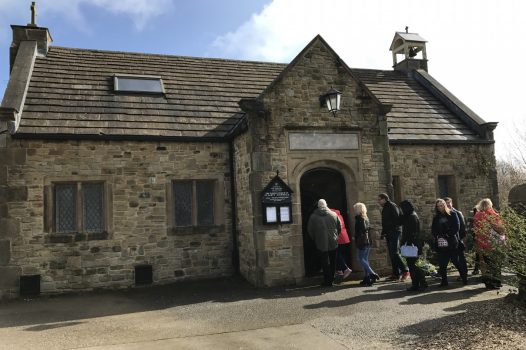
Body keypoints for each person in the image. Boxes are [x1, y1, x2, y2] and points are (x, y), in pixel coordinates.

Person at [307, 199, 341, 287]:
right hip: (333, 241)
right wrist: (335, 236)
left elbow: (310, 230)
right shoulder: (334, 214)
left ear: (318, 206)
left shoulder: (313, 216)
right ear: (326, 205)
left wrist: (315, 239)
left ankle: (327, 280)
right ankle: (331, 279)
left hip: (320, 242)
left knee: (325, 262)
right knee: (333, 261)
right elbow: (339, 227)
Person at [473, 198, 505, 289]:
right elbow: (501, 228)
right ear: (490, 205)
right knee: (496, 263)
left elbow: (476, 230)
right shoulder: (493, 214)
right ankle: (497, 282)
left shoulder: (477, 215)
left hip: (482, 242)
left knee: (485, 263)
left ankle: (489, 283)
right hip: (493, 242)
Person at [377, 193, 409, 281]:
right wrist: (384, 233)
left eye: (379, 199)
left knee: (394, 253)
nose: (378, 201)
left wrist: (391, 229)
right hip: (389, 233)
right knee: (392, 254)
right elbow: (385, 222)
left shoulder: (391, 206)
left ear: (384, 199)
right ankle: (396, 274)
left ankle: (405, 270)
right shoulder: (385, 207)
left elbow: (397, 219)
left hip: (394, 232)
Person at [431, 198, 461, 287]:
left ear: (444, 205)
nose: (440, 207)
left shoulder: (452, 214)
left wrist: (448, 235)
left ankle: (463, 276)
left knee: (456, 261)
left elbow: (456, 227)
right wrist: (437, 236)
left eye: (441, 205)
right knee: (442, 263)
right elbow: (433, 229)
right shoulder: (436, 217)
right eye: (438, 206)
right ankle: (444, 281)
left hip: (451, 242)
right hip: (441, 243)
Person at [400, 200, 427, 291]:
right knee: (412, 265)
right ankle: (417, 284)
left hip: (412, 244)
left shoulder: (411, 217)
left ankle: (421, 283)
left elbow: (410, 232)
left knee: (413, 265)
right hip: (413, 244)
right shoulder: (411, 216)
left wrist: (404, 241)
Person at [353, 202, 379, 286]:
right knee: (365, 260)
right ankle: (367, 278)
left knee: (360, 259)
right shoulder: (366, 218)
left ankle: (372, 274)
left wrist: (355, 236)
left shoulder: (359, 218)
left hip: (362, 242)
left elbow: (361, 230)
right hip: (368, 241)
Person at [444, 197, 469, 284]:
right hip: (450, 241)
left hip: (457, 240)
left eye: (449, 203)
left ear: (452, 203)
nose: (448, 205)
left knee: (461, 259)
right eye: (446, 203)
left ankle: (464, 275)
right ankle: (462, 274)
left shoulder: (457, 213)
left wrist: (459, 239)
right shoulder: (445, 214)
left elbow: (462, 227)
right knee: (456, 259)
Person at [331, 209, 352, 281]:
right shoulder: (340, 216)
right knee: (341, 254)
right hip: (345, 238)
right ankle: (340, 271)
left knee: (337, 254)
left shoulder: (334, 217)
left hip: (340, 238)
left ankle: (345, 269)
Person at [467, 207, 481, 275]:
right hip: (478, 239)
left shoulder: (478, 218)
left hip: (481, 240)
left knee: (479, 255)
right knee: (478, 255)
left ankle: (477, 269)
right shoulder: (474, 219)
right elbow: (471, 230)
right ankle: (476, 269)